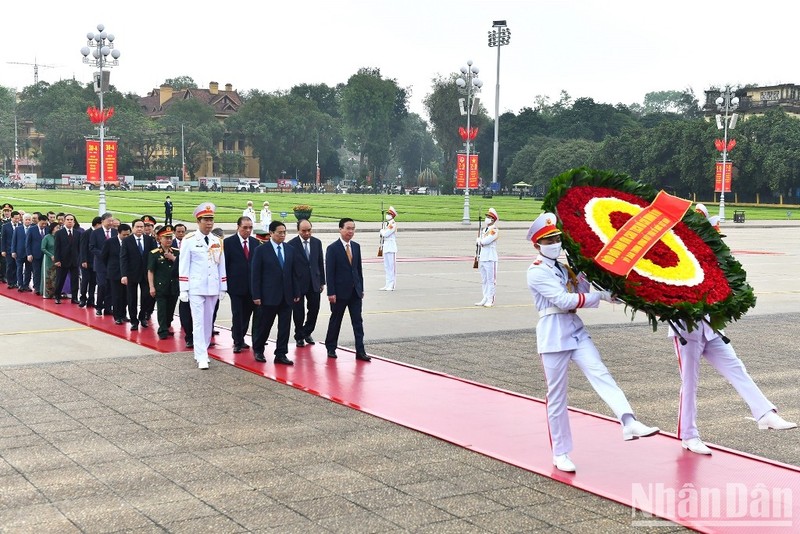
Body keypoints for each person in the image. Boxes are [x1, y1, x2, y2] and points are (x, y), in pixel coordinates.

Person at [526, 212, 659, 473]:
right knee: (557, 397)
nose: (555, 243)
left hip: (575, 331)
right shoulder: (536, 272)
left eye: (556, 238)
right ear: (537, 245)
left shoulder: (564, 268)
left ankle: (628, 420)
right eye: (548, 240)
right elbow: (564, 301)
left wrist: (599, 284)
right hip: (553, 336)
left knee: (601, 373)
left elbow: (580, 292)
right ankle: (560, 452)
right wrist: (600, 296)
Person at [668, 204, 797, 455]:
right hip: (687, 328)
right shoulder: (676, 256)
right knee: (690, 382)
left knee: (736, 367)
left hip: (710, 326)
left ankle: (764, 413)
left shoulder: (708, 256)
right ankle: (688, 435)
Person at [178, 203, 227, 370]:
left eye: (211, 219)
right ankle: (201, 355)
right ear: (198, 221)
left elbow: (221, 265)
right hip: (196, 287)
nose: (209, 223)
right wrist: (183, 288)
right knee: (198, 322)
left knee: (208, 322)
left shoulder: (217, 241)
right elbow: (183, 265)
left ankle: (203, 350)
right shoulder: (189, 240)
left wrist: (223, 286)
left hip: (212, 287)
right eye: (206, 219)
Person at [251, 220, 300, 365]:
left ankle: (281, 353)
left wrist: (296, 292)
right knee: (265, 325)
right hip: (268, 296)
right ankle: (259, 349)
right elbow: (256, 275)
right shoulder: (261, 250)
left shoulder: (290, 249)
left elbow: (294, 273)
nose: (283, 235)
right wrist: (256, 295)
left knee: (284, 327)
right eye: (279, 232)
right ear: (271, 233)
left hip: (287, 296)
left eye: (284, 232)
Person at [324, 218, 370, 362]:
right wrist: (331, 292)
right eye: (348, 228)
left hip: (355, 292)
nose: (351, 231)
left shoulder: (356, 246)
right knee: (336, 320)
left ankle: (360, 351)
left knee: (358, 322)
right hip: (339, 293)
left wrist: (360, 287)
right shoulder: (333, 248)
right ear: (340, 229)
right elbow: (329, 272)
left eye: (353, 229)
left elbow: (358, 270)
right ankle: (331, 347)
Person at [224, 216, 259, 353]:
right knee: (238, 314)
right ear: (238, 227)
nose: (248, 230)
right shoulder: (228, 242)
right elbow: (225, 265)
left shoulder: (256, 243)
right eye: (245, 227)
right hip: (236, 286)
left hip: (252, 287)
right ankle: (237, 341)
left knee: (248, 314)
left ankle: (242, 337)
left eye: (250, 228)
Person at [288, 218, 325, 346]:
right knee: (299, 311)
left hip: (314, 281)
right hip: (298, 283)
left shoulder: (317, 243)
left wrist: (322, 281)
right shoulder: (291, 244)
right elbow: (290, 267)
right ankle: (299, 335)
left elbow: (320, 262)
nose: (307, 233)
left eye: (309, 230)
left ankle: (307, 331)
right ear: (298, 230)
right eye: (304, 231)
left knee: (314, 309)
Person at [120, 219, 156, 331]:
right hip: (132, 274)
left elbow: (153, 256)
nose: (140, 229)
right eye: (138, 227)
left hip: (146, 274)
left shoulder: (150, 240)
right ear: (133, 228)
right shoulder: (127, 241)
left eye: (142, 227)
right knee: (132, 299)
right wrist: (124, 274)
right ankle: (134, 321)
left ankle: (142, 316)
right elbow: (123, 258)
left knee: (147, 296)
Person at [148, 225, 180, 340]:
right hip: (161, 286)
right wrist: (151, 287)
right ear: (159, 239)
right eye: (166, 238)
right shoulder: (154, 253)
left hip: (174, 286)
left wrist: (173, 258)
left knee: (170, 310)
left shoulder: (176, 252)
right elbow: (150, 271)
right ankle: (162, 330)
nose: (169, 240)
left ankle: (167, 325)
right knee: (162, 309)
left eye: (170, 238)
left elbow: (183, 266)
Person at [102, 223, 131, 324]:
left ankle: (123, 314)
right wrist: (111, 267)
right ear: (119, 233)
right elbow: (104, 257)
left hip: (127, 274)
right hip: (114, 274)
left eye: (128, 235)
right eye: (124, 235)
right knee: (117, 296)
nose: (126, 237)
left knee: (126, 296)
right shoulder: (110, 242)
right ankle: (117, 316)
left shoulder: (130, 242)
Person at [89, 213, 116, 316]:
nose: (111, 223)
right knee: (102, 285)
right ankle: (99, 306)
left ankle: (108, 307)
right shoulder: (96, 233)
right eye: (109, 221)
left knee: (110, 286)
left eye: (112, 221)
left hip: (112, 264)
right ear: (103, 221)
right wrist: (103, 254)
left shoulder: (114, 232)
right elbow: (92, 247)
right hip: (100, 264)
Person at [53, 214, 81, 304]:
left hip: (74, 261)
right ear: (64, 221)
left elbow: (79, 248)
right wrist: (57, 260)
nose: (69, 221)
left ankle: (75, 297)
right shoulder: (59, 233)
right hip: (62, 261)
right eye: (68, 219)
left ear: (74, 221)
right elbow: (56, 248)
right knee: (60, 280)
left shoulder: (77, 233)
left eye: (71, 219)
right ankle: (57, 296)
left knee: (75, 281)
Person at [475, 208, 499, 307]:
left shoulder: (494, 230)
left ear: (493, 219)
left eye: (489, 217)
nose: (487, 219)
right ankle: (485, 297)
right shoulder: (484, 230)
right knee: (484, 280)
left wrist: (479, 240)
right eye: (487, 217)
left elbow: (485, 241)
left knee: (491, 280)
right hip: (483, 257)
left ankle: (490, 299)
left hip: (491, 258)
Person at [78, 216, 102, 307]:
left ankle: (91, 299)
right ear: (97, 224)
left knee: (93, 281)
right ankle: (83, 298)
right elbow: (83, 248)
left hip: (95, 261)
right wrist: (84, 260)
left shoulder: (98, 233)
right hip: (86, 261)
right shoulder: (86, 233)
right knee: (85, 280)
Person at [26, 214, 48, 295]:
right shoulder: (32, 229)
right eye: (42, 223)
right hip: (35, 254)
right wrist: (29, 254)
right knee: (36, 271)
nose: (44, 225)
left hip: (45, 255)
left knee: (44, 271)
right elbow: (27, 243)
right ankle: (37, 287)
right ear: (38, 221)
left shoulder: (47, 229)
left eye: (45, 224)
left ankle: (44, 287)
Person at [11, 213, 33, 291]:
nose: (27, 221)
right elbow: (14, 241)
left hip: (29, 253)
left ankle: (26, 284)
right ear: (22, 220)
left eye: (29, 220)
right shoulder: (18, 229)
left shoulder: (33, 229)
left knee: (28, 270)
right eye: (26, 220)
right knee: (19, 269)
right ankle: (20, 284)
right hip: (19, 252)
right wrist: (13, 251)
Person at [379, 206, 397, 291]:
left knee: (391, 266)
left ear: (392, 215)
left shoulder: (392, 224)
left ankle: (391, 284)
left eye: (389, 214)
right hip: (386, 245)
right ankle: (387, 284)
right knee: (386, 266)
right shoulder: (387, 224)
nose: (387, 215)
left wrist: (382, 231)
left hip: (391, 246)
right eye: (387, 214)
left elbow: (386, 233)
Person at [40, 222, 60, 299]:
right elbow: (43, 248)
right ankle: (47, 293)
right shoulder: (47, 237)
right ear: (52, 228)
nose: (58, 229)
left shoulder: (59, 237)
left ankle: (55, 292)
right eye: (57, 228)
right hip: (48, 259)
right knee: (48, 275)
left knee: (56, 276)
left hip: (57, 259)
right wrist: (51, 255)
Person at [2, 210, 20, 288]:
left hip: (18, 250)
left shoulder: (20, 226)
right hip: (8, 249)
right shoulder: (5, 226)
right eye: (15, 218)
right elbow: (3, 239)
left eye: (18, 218)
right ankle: (10, 282)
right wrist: (3, 250)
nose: (17, 220)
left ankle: (15, 282)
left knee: (17, 266)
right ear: (12, 218)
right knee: (10, 265)